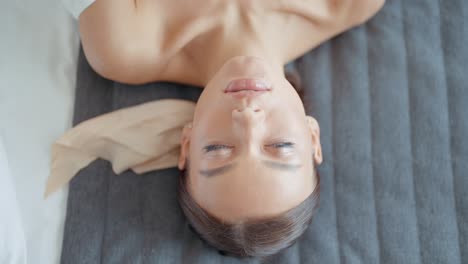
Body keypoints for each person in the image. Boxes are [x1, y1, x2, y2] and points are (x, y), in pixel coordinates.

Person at [55, 0, 385, 257]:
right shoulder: (353, 3)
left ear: (187, 144)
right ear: (312, 136)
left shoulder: (124, 44)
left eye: (218, 149)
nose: (247, 118)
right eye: (280, 147)